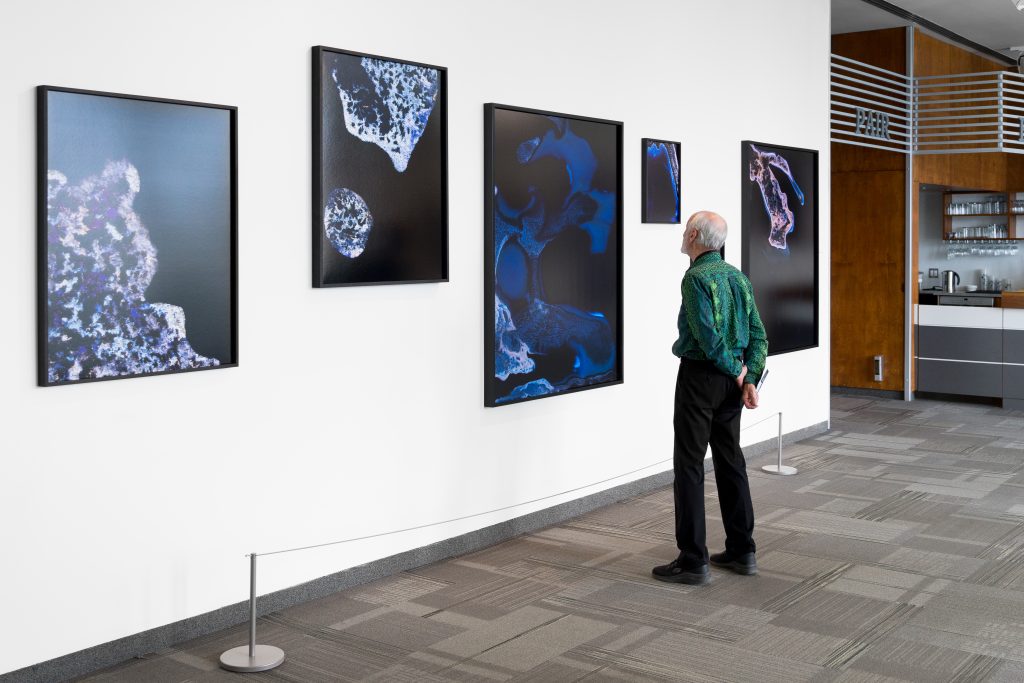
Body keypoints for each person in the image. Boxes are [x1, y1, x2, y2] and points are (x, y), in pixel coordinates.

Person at [652, 211, 768, 585]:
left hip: (702, 377)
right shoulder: (738, 277)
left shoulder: (695, 277)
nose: (684, 234)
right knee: (730, 460)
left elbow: (705, 335)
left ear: (697, 236)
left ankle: (693, 559)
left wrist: (735, 369)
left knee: (689, 465)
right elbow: (758, 334)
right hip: (733, 385)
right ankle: (742, 549)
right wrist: (749, 376)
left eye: (687, 229)